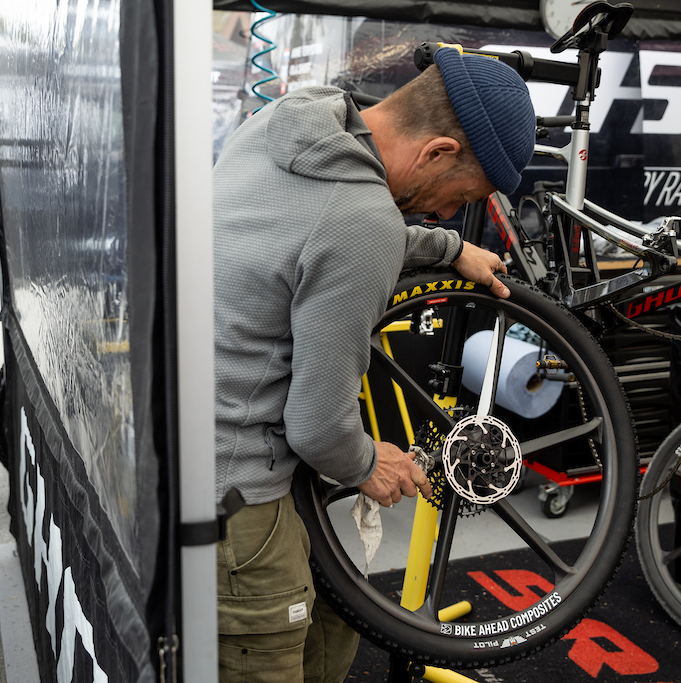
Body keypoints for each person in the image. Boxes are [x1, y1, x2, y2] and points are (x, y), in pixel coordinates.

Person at [213, 46, 535, 682]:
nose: (445, 212)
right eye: (459, 196)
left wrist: (447, 247)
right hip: (238, 498)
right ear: (437, 152)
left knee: (336, 615)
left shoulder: (294, 117)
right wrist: (369, 463)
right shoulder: (363, 223)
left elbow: (316, 228)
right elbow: (317, 428)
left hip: (177, 452)